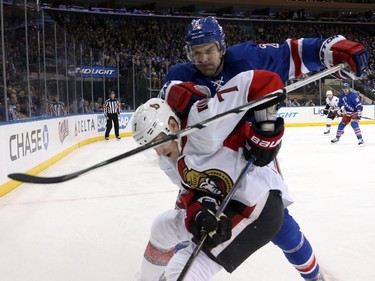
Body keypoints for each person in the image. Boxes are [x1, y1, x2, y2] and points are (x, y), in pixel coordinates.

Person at [157, 16, 370, 280]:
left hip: (251, 158)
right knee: (191, 220)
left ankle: (314, 276)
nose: (202, 58)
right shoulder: (179, 75)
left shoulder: (248, 58)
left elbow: (292, 54)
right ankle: (161, 263)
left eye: (208, 50)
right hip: (203, 167)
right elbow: (163, 122)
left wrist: (330, 50)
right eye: (195, 52)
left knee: (281, 227)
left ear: (221, 47)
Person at [132, 70, 293, 281]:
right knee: (162, 227)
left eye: (158, 142)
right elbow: (191, 192)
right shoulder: (169, 161)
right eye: (151, 147)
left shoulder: (202, 123)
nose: (159, 152)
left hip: (257, 205)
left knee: (182, 272)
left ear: (172, 125)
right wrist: (199, 209)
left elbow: (260, 81)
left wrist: (266, 129)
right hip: (225, 202)